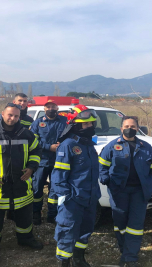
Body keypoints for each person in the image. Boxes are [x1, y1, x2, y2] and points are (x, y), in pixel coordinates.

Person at [0, 103, 43, 261]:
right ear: (2, 114)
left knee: (24, 218)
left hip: (21, 186)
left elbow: (36, 151)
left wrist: (31, 167)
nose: (12, 118)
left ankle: (26, 239)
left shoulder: (27, 135)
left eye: (16, 116)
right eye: (10, 115)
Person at [99, 116, 152, 267]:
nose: (130, 128)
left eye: (133, 126)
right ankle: (124, 249)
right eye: (127, 126)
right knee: (120, 221)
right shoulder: (112, 146)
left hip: (139, 191)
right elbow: (102, 167)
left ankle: (130, 256)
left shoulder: (146, 146)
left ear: (137, 128)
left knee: (136, 224)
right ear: (121, 128)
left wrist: (150, 181)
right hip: (119, 191)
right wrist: (106, 180)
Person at [51, 104, 101, 267]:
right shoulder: (68, 145)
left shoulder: (89, 146)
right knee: (67, 231)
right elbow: (59, 176)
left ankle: (79, 259)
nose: (89, 127)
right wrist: (66, 197)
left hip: (90, 197)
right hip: (73, 200)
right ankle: (64, 262)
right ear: (76, 125)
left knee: (86, 230)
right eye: (86, 124)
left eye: (91, 124)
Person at [30, 100, 67, 225]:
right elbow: (33, 141)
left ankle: (52, 215)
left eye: (53, 106)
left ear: (57, 107)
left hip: (59, 161)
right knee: (37, 189)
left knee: (55, 189)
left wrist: (63, 145)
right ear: (44, 108)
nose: (51, 108)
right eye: (48, 107)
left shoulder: (64, 121)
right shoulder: (37, 123)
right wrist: (48, 147)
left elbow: (70, 136)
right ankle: (36, 214)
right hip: (41, 161)